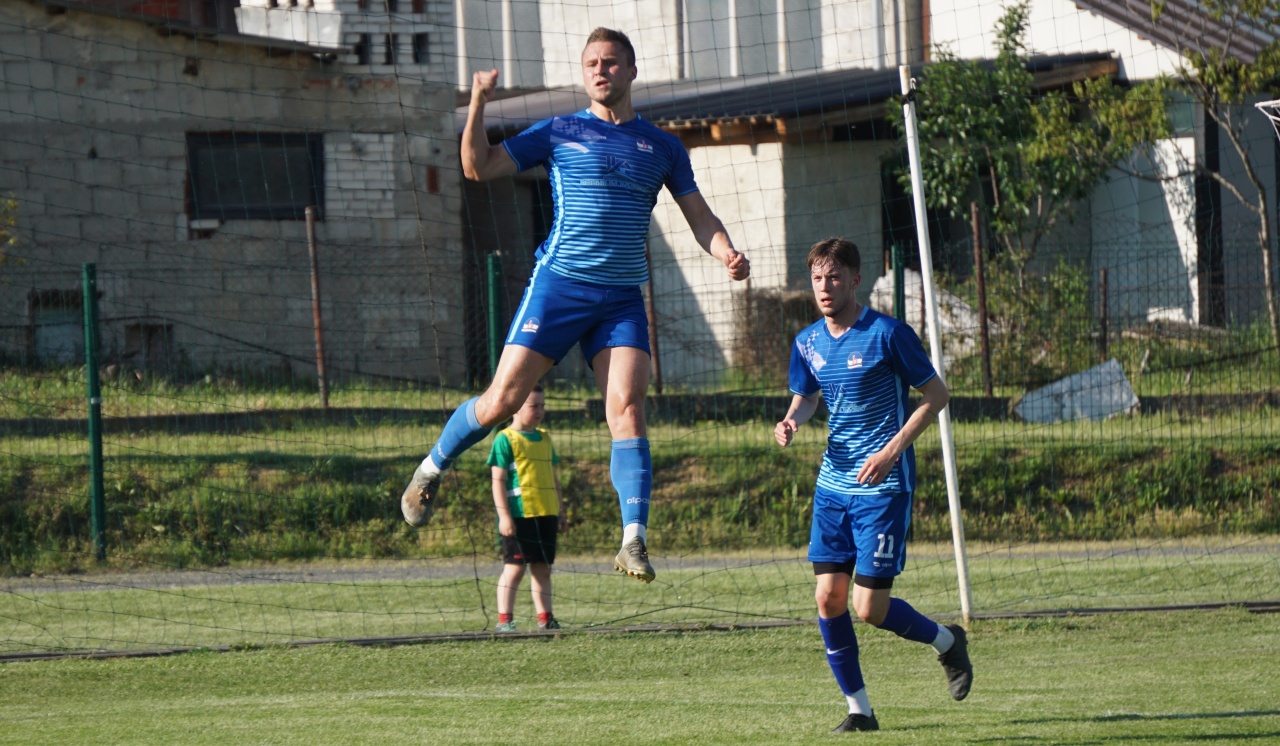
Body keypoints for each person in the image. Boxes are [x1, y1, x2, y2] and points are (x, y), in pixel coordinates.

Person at [401, 27, 750, 584]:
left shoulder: (662, 147)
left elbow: (700, 216)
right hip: (560, 287)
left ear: (631, 71)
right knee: (501, 402)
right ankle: (430, 468)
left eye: (610, 62)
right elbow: (477, 167)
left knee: (628, 410)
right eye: (591, 63)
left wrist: (726, 252)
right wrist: (479, 103)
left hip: (621, 298)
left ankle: (632, 540)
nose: (600, 71)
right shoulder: (559, 131)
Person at [774, 237, 972, 732]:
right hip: (833, 486)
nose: (824, 287)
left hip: (882, 489)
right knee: (828, 598)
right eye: (817, 278)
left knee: (869, 608)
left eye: (834, 277)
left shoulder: (888, 334)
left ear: (855, 280)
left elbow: (937, 395)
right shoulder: (807, 342)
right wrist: (792, 419)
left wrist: (890, 452)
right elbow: (807, 396)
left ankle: (947, 641)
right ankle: (859, 711)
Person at [486, 385, 567, 632]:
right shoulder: (504, 439)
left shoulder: (545, 438)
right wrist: (504, 516)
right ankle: (505, 621)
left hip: (546, 514)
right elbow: (498, 481)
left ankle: (546, 619)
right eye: (534, 406)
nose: (540, 411)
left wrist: (561, 511)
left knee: (543, 570)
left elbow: (554, 480)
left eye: (542, 405)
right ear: (516, 407)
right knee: (514, 569)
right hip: (519, 516)